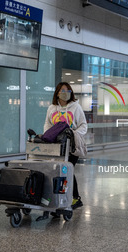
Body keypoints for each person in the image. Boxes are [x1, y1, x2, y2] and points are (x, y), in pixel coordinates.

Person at [44, 82, 87, 213]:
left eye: (68, 90)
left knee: (67, 171)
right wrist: (48, 136)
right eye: (63, 90)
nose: (66, 93)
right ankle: (57, 198)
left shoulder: (76, 107)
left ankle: (75, 198)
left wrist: (73, 134)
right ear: (57, 93)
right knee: (56, 172)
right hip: (56, 146)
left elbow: (83, 125)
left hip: (71, 146)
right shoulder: (52, 108)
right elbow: (47, 123)